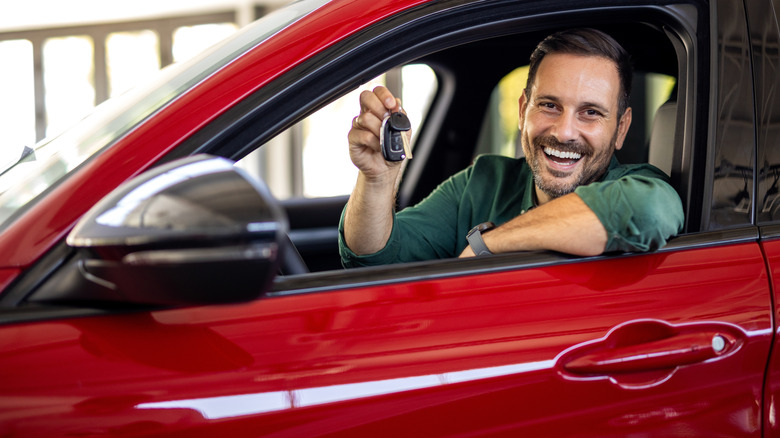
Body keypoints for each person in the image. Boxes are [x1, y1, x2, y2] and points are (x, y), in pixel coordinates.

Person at [339, 28, 684, 268]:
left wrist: (488, 244)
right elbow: (375, 258)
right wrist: (377, 180)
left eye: (590, 113)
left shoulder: (640, 185)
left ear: (620, 128)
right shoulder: (482, 183)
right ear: (523, 111)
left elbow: (649, 213)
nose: (564, 132)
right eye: (549, 105)